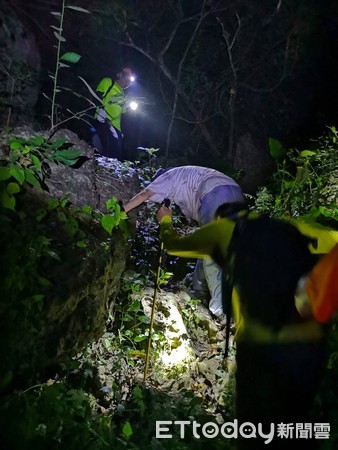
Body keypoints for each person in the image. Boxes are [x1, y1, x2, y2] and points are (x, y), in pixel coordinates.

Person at [156, 202, 338, 449]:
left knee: (255, 435)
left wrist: (165, 219)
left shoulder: (222, 231)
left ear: (221, 218)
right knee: (297, 429)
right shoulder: (289, 228)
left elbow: (172, 243)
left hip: (261, 349)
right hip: (308, 348)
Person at [124, 165, 246, 323]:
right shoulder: (185, 179)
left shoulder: (166, 177)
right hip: (235, 192)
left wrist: (122, 211)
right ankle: (200, 291)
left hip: (215, 194)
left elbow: (145, 194)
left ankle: (222, 311)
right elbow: (189, 215)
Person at [91, 67, 134, 160]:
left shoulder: (123, 95)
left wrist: (123, 131)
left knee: (118, 152)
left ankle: (110, 172)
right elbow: (96, 95)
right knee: (108, 144)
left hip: (116, 127)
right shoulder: (108, 82)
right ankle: (102, 166)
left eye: (129, 82)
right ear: (120, 75)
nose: (127, 83)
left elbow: (123, 114)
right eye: (126, 79)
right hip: (103, 119)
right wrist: (101, 111)